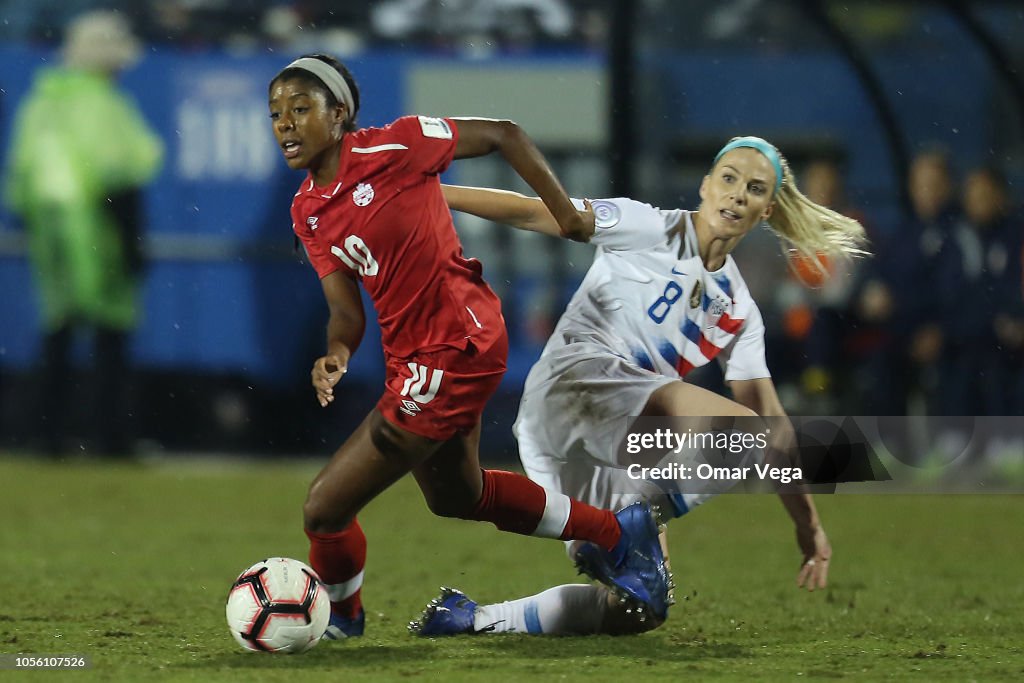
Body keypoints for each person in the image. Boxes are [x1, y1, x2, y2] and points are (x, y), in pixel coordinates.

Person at [267, 53, 669, 639]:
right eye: (276, 112)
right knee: (460, 495)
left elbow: (505, 135)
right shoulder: (307, 211)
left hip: (456, 344)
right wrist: (337, 353)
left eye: (300, 109)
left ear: (339, 115)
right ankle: (615, 531)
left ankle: (340, 622)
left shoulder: (397, 146)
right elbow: (345, 310)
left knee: (324, 508)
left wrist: (567, 216)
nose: (284, 123)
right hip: (414, 358)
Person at [409, 136, 867, 636]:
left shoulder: (738, 310)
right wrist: (436, 196)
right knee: (739, 431)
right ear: (705, 185)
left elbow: (776, 428)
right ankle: (632, 516)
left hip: (582, 439)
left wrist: (808, 525)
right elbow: (532, 213)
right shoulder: (650, 224)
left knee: (639, 607)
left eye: (753, 188)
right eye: (729, 178)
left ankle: (473, 619)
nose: (737, 194)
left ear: (766, 210)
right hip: (576, 381)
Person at [3, 10, 164, 457]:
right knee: (111, 335)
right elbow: (120, 176)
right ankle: (111, 437)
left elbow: (21, 177)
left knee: (57, 332)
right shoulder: (104, 104)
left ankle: (46, 436)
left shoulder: (41, 103)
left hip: (49, 233)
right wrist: (132, 242)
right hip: (99, 231)